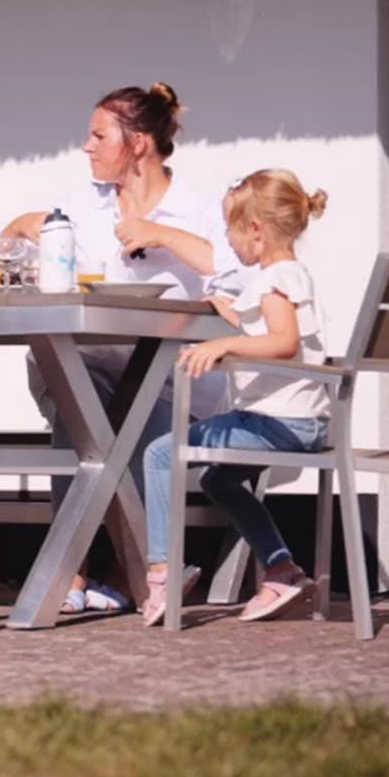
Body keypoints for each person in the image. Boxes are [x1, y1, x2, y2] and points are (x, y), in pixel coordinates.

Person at [0, 81, 244, 613]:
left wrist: (164, 235)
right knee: (80, 394)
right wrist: (14, 240)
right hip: (93, 368)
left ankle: (75, 574)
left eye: (98, 136)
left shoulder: (198, 210)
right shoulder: (80, 206)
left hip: (175, 383)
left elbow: (238, 281)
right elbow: (15, 241)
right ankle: (141, 571)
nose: (86, 147)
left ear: (137, 144)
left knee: (94, 415)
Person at [141, 169, 333, 625]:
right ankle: (282, 570)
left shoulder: (275, 280)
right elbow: (269, 329)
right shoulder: (288, 275)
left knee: (160, 455)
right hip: (304, 421)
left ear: (256, 230)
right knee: (218, 481)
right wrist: (229, 315)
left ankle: (163, 573)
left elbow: (283, 341)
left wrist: (223, 344)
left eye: (230, 227)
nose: (226, 239)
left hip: (276, 423)